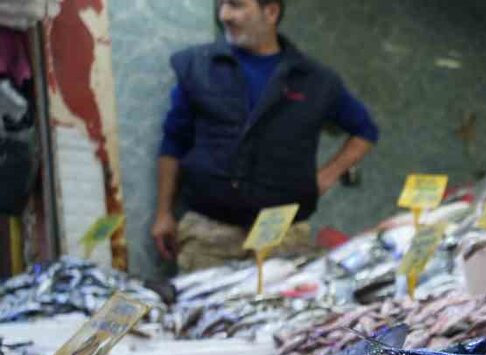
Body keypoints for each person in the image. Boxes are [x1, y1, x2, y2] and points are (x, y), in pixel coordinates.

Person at [151, 0, 379, 272]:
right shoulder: (197, 67)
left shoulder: (315, 79)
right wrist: (164, 213)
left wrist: (325, 177)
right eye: (221, 5)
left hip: (282, 235)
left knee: (280, 312)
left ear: (270, 12)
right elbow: (173, 142)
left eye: (236, 5)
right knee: (201, 313)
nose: (224, 15)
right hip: (208, 235)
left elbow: (364, 131)